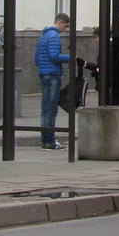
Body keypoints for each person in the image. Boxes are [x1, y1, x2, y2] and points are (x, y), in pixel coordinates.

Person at [34, 12, 70, 150]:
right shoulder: (54, 36)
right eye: (65, 26)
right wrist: (70, 57)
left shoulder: (44, 35)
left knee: (45, 109)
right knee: (51, 109)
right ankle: (50, 141)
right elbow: (55, 56)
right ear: (59, 22)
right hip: (53, 74)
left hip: (43, 73)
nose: (65, 30)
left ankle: (44, 139)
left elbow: (37, 58)